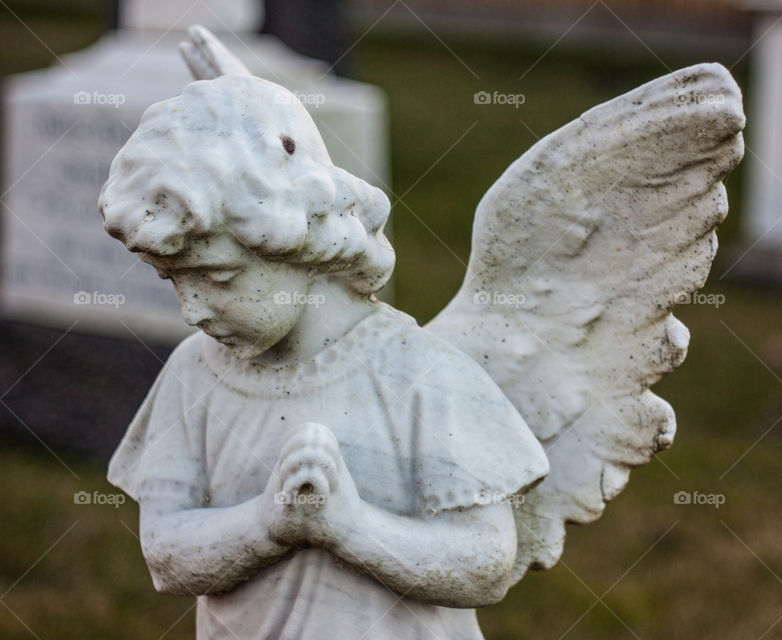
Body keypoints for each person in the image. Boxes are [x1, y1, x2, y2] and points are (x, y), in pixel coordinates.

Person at [102, 74, 549, 640]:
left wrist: (350, 527)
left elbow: (485, 564)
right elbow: (165, 553)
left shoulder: (421, 376)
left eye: (216, 277)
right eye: (173, 281)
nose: (191, 310)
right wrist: (269, 526)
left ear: (297, 239)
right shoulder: (194, 373)